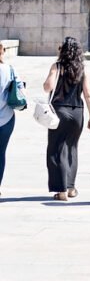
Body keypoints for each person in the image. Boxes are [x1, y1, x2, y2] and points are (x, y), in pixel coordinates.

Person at [43, 37, 90, 200]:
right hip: (77, 113)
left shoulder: (57, 66)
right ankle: (71, 188)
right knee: (72, 149)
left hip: (60, 112)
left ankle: (62, 190)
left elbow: (48, 87)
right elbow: (88, 94)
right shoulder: (82, 69)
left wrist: (53, 74)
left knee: (56, 150)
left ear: (63, 51)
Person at [0, 42, 18, 197]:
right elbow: (19, 89)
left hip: (6, 119)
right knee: (1, 153)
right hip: (6, 118)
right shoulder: (10, 69)